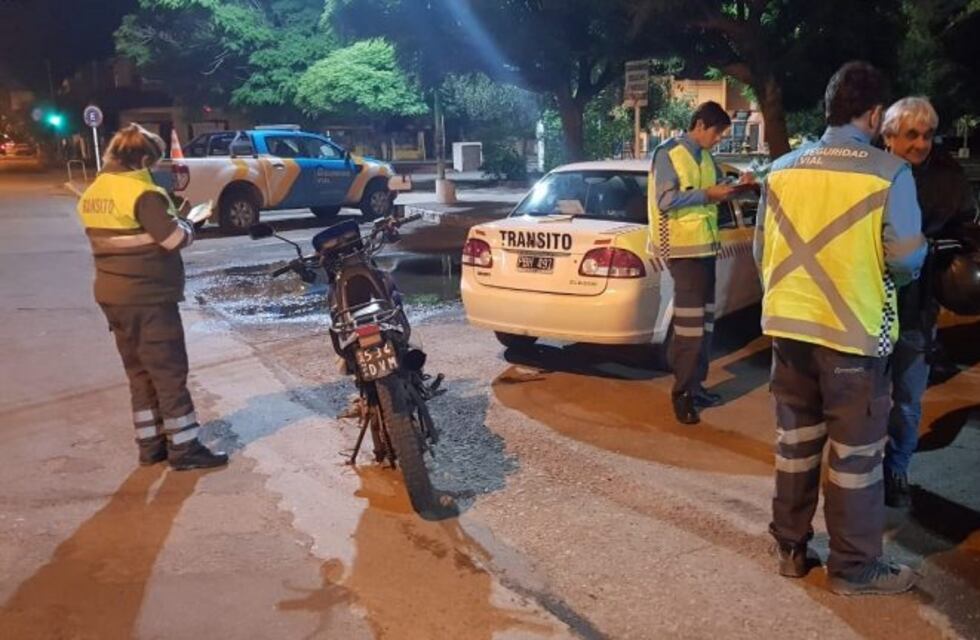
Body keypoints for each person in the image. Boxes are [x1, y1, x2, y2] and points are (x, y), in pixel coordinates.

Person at [753, 62, 927, 595]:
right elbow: (905, 257)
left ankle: (790, 546)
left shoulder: (780, 168)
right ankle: (853, 567)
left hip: (789, 327)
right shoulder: (887, 172)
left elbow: (763, 249)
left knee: (796, 444)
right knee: (855, 459)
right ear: (875, 114)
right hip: (854, 334)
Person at [76, 123, 228, 470]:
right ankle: (185, 449)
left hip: (112, 296)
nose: (154, 168)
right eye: (153, 162)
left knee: (139, 373)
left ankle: (151, 446)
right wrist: (191, 226)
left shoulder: (96, 190)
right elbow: (171, 239)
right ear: (141, 158)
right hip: (148, 297)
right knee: (169, 372)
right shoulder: (141, 193)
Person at [880, 97, 979, 508]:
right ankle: (861, 471)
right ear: (888, 136)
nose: (921, 144)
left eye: (927, 135)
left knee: (906, 400)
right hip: (867, 306)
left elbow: (967, 226)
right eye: (911, 135)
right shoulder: (869, 173)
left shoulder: (947, 177)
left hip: (918, 309)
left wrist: (948, 248)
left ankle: (897, 467)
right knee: (862, 401)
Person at [648, 101, 746, 424]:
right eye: (717, 133)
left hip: (706, 250)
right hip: (684, 254)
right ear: (701, 125)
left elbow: (715, 192)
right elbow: (665, 200)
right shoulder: (668, 153)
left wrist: (738, 188)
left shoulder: (706, 158)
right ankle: (683, 394)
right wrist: (708, 194)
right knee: (689, 331)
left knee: (704, 325)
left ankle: (697, 385)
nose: (718, 139)